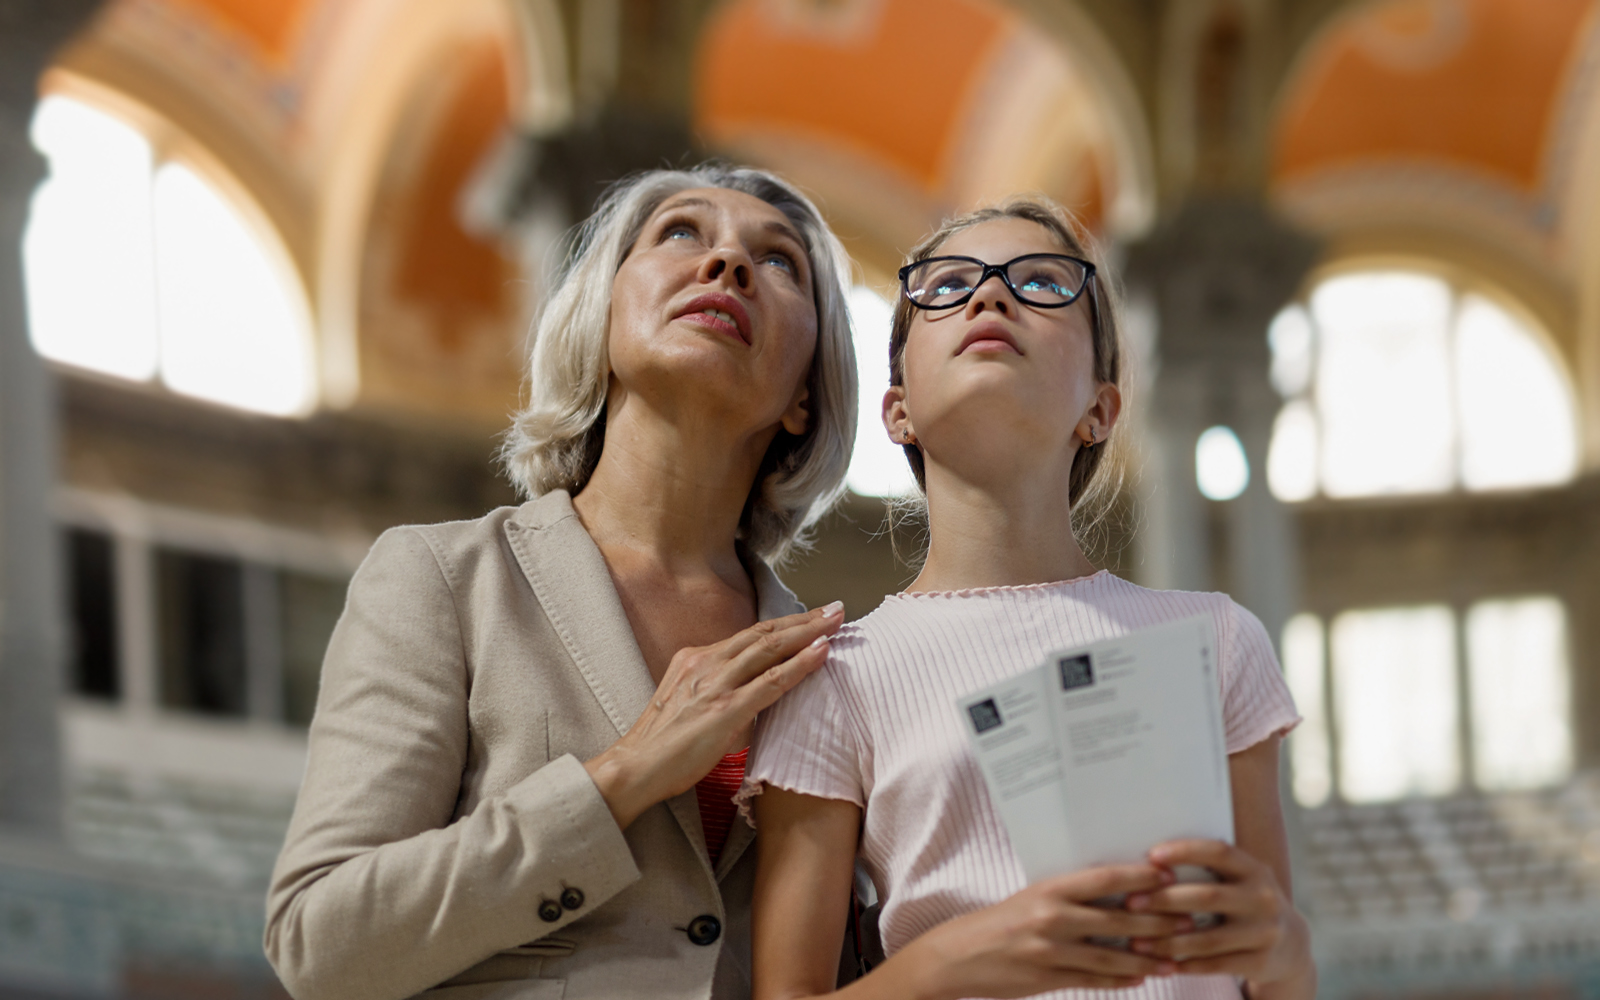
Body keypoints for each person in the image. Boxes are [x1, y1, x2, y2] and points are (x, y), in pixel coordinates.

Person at [264, 164, 859, 1000]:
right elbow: (321, 944)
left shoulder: (836, 666)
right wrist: (627, 771)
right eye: (682, 233)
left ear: (804, 394)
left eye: (780, 263)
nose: (728, 266)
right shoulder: (441, 578)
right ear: (603, 315)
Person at [741, 197, 1316, 1000]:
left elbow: (1277, 972)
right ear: (897, 412)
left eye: (1044, 283)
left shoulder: (1215, 637)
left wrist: (1283, 947)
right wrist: (959, 956)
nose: (990, 296)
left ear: (1099, 409)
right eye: (945, 287)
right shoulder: (837, 677)